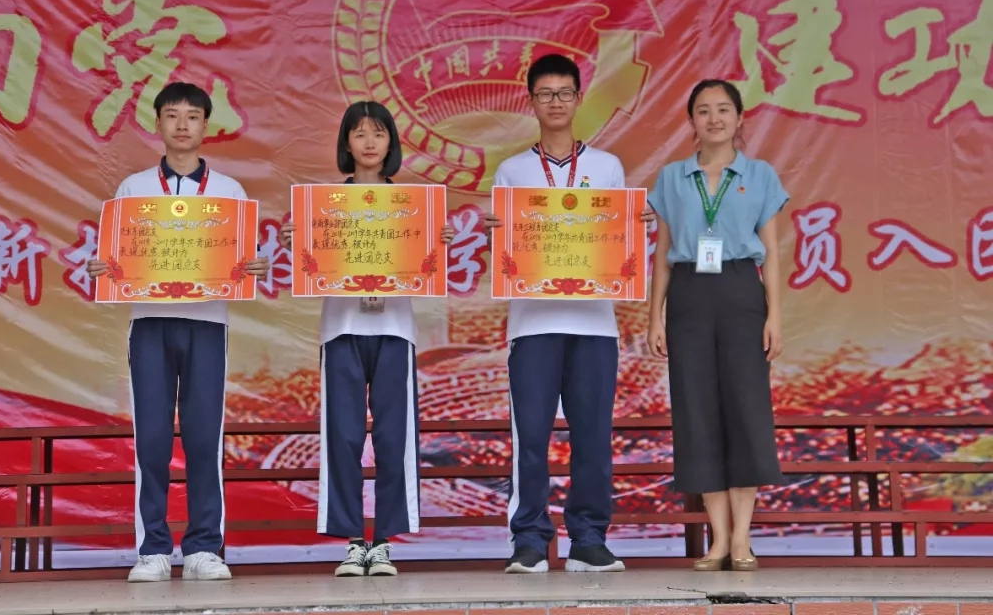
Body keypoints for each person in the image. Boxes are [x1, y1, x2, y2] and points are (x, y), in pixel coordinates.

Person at [86, 81, 270, 582]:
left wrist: (251, 265)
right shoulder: (133, 189)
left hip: (207, 322)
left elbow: (243, 256)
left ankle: (204, 547)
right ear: (158, 123)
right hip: (148, 322)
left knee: (204, 436)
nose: (182, 124)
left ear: (206, 125)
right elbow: (117, 255)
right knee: (151, 437)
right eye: (173, 115)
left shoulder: (229, 191)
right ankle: (152, 549)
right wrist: (105, 268)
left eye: (192, 116)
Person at [484, 53, 655, 574]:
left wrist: (633, 228)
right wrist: (499, 236)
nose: (555, 102)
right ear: (531, 102)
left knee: (593, 437)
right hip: (533, 323)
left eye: (564, 93)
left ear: (579, 99)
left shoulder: (607, 167)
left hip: (594, 323)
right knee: (531, 438)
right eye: (545, 94)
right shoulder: (512, 171)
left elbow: (617, 243)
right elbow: (505, 253)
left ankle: (588, 539)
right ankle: (530, 540)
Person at [279, 101, 453, 577]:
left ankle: (385, 542)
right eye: (359, 133)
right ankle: (353, 541)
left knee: (394, 437)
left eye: (379, 133)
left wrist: (437, 240)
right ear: (346, 143)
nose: (370, 142)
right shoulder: (323, 207)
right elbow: (310, 260)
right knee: (344, 434)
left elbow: (427, 260)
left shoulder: (414, 207)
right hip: (342, 328)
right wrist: (298, 239)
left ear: (391, 142)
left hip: (395, 329)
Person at [645, 79, 788, 573]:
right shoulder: (672, 177)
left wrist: (775, 314)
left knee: (746, 410)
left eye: (723, 109)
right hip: (689, 295)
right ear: (691, 121)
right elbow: (662, 253)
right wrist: (655, 315)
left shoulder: (760, 175)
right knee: (696, 412)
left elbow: (771, 253)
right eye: (703, 111)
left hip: (740, 291)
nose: (714, 119)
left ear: (740, 118)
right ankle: (718, 539)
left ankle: (743, 536)